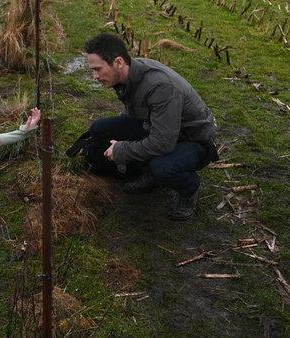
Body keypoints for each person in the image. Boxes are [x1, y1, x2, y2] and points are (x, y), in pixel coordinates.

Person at [76, 33, 217, 220]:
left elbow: (163, 143)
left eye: (98, 69)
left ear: (118, 62)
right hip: (159, 127)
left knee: (162, 167)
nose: (94, 76)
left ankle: (189, 189)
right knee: (99, 129)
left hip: (193, 140)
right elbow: (134, 113)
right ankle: (149, 172)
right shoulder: (130, 74)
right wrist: (122, 134)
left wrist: (122, 149)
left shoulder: (159, 86)